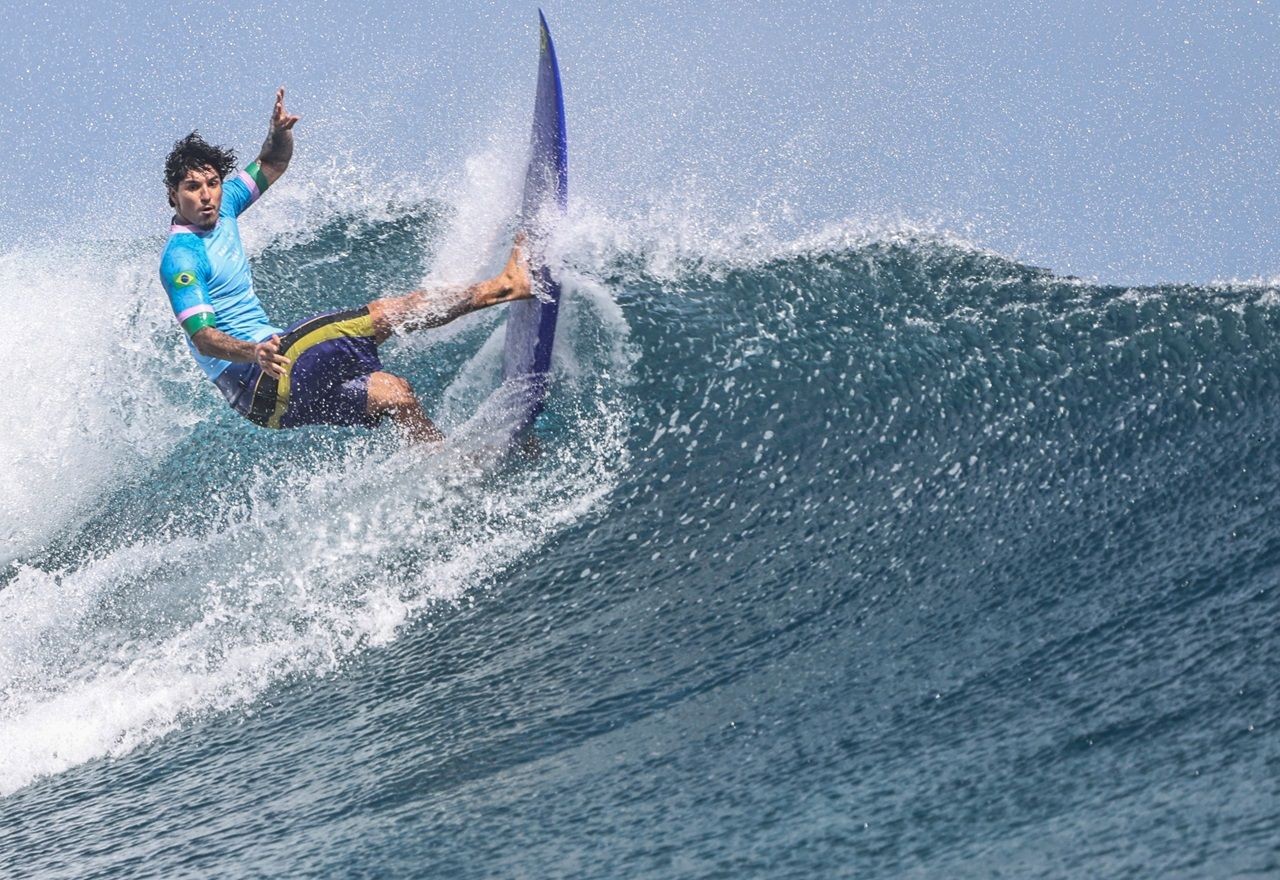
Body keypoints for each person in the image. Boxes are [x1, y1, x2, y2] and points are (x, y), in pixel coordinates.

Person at [159, 87, 530, 443]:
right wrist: (252, 351)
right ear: (173, 195)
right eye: (192, 187)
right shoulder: (182, 259)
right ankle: (507, 285)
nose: (206, 195)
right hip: (258, 373)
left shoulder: (224, 208)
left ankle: (444, 466)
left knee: (395, 394)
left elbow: (273, 161)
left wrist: (278, 133)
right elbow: (203, 339)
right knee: (386, 314)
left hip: (266, 402)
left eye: (212, 183)